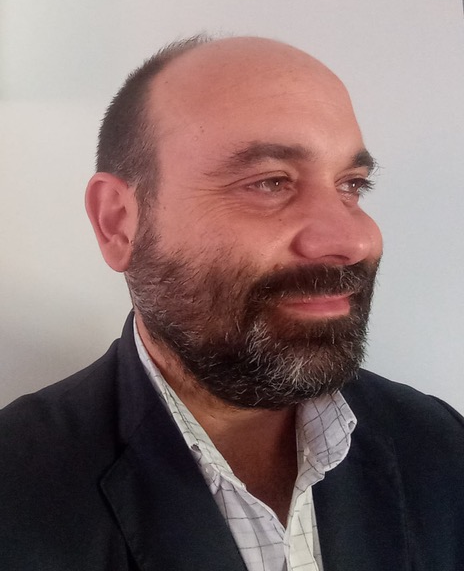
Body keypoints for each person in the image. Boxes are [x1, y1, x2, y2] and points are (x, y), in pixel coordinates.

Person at [0, 35, 463, 571]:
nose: (353, 240)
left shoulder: (438, 444)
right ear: (119, 222)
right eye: (270, 182)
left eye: (351, 185)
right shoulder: (16, 492)